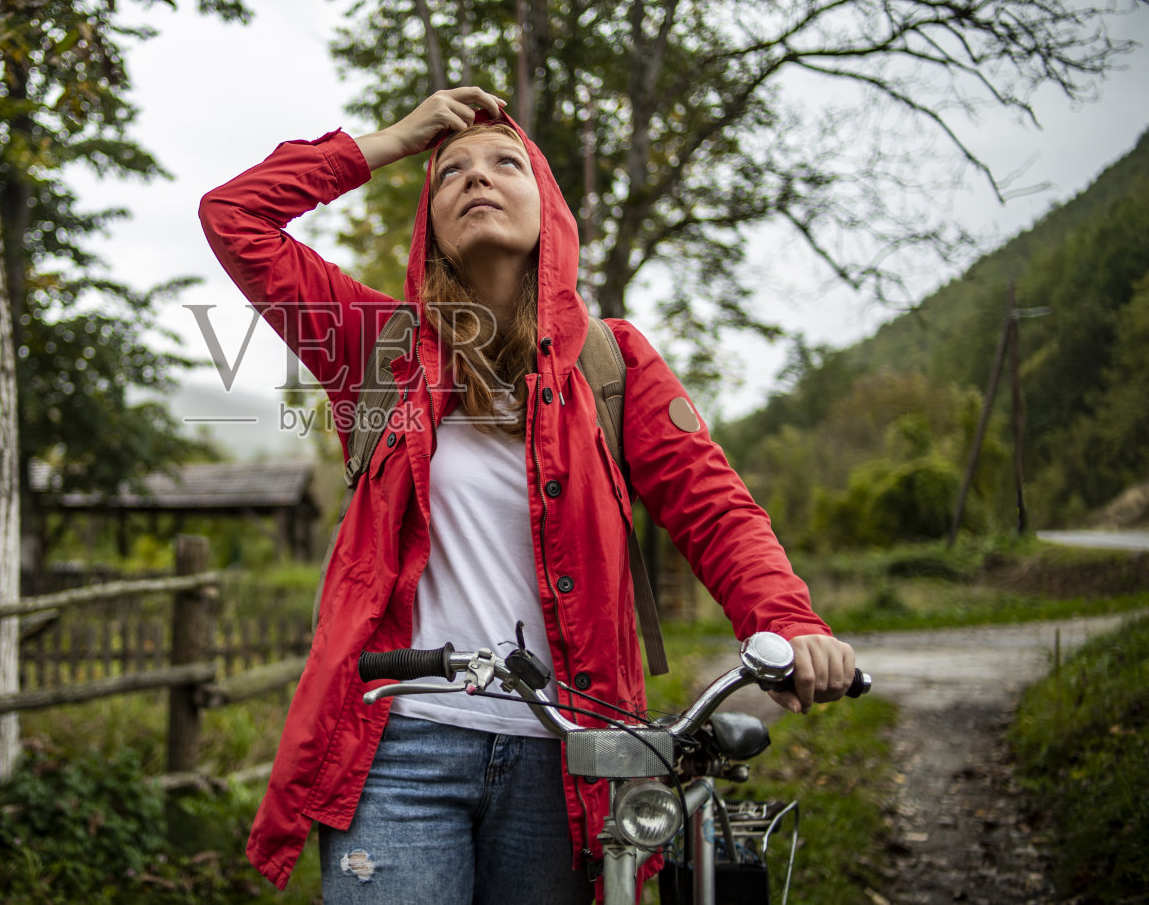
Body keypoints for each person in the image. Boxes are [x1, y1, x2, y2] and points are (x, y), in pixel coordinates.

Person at [199, 87, 856, 904]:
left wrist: (785, 620)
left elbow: (715, 508)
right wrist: (396, 141)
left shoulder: (615, 366)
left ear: (550, 209)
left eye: (506, 162)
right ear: (429, 225)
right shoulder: (374, 346)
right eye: (451, 173)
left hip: (568, 758)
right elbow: (234, 217)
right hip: (399, 749)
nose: (477, 177)